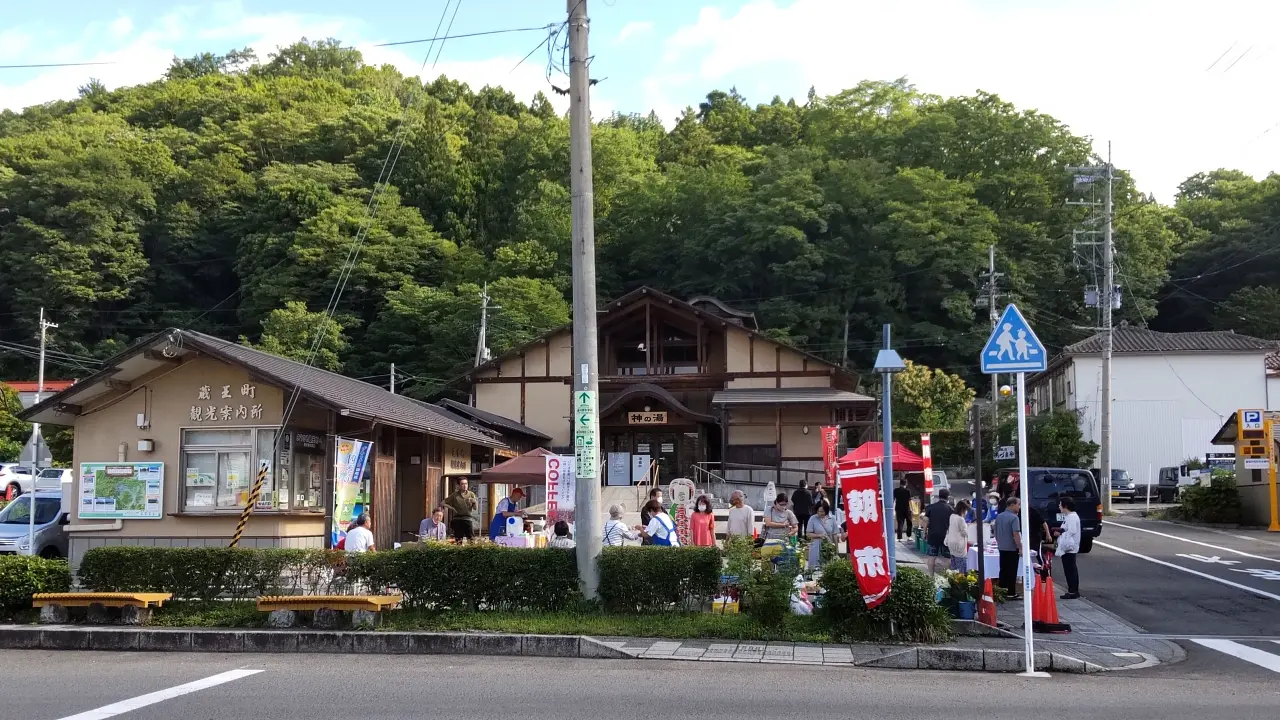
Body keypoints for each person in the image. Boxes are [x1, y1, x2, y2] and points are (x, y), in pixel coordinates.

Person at [994, 496, 1023, 600]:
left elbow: (995, 532)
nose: (1019, 507)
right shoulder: (1014, 518)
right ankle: (1011, 592)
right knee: (1012, 571)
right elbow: (1016, 533)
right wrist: (1020, 547)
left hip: (1002, 547)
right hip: (1011, 548)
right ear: (1012, 505)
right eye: (1018, 504)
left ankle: (1002, 591)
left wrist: (1000, 542)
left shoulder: (999, 516)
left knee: (1003, 570)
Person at [1056, 497, 1082, 599]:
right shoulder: (1070, 516)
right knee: (1070, 569)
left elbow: (1072, 530)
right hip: (1069, 547)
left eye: (1060, 504)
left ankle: (1073, 591)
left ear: (1065, 506)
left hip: (1070, 547)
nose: (1059, 506)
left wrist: (1061, 532)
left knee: (1070, 570)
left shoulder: (1071, 517)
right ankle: (1072, 590)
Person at [923, 488, 954, 576]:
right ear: (948, 497)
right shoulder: (951, 509)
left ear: (939, 496)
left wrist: (925, 533)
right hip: (946, 536)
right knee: (947, 558)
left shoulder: (931, 507)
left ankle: (931, 576)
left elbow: (925, 521)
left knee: (931, 557)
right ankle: (946, 576)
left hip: (933, 535)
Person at [444, 477, 479, 542]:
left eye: (466, 483)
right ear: (458, 485)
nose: (465, 486)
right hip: (458, 519)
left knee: (471, 539)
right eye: (462, 484)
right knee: (458, 540)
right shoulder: (455, 494)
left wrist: (474, 502)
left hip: (468, 519)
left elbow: (475, 508)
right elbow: (443, 503)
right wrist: (452, 508)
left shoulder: (471, 494)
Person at [946, 500, 970, 573]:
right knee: (961, 568)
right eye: (966, 510)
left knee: (954, 567)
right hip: (959, 545)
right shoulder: (961, 519)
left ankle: (954, 582)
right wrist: (968, 527)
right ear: (963, 509)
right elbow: (964, 533)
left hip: (951, 543)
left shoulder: (952, 516)